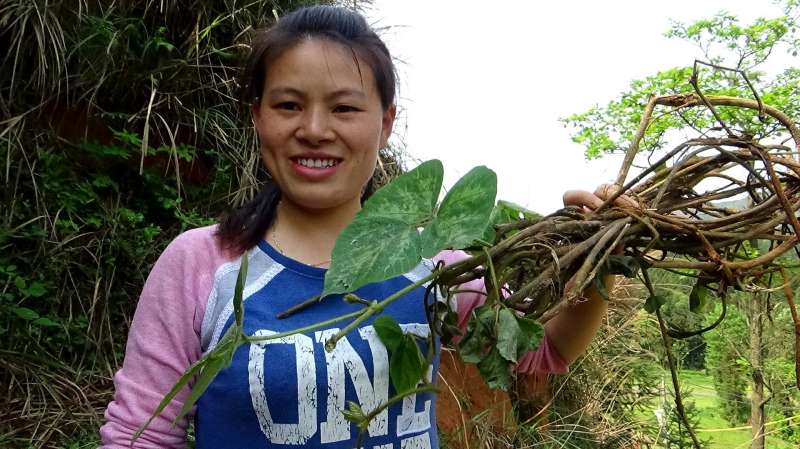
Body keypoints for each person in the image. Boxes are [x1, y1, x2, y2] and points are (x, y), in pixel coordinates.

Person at [99, 5, 619, 448]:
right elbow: (138, 435)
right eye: (288, 105)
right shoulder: (203, 264)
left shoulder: (435, 264)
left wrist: (602, 250)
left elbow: (542, 351)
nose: (315, 130)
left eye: (345, 107)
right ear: (257, 117)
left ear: (385, 123)